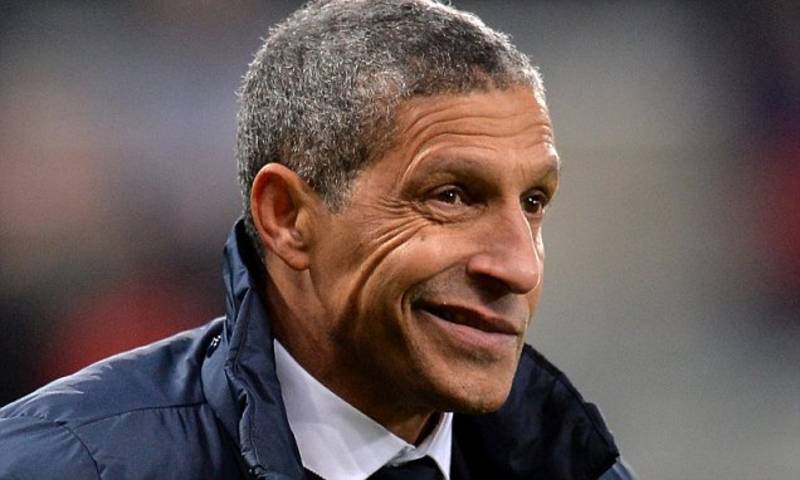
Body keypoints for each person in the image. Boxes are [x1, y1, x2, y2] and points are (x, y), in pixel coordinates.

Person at [0, 1, 635, 478]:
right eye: (450, 196)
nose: (520, 267)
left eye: (533, 204)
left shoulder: (582, 470)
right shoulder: (58, 464)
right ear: (287, 217)